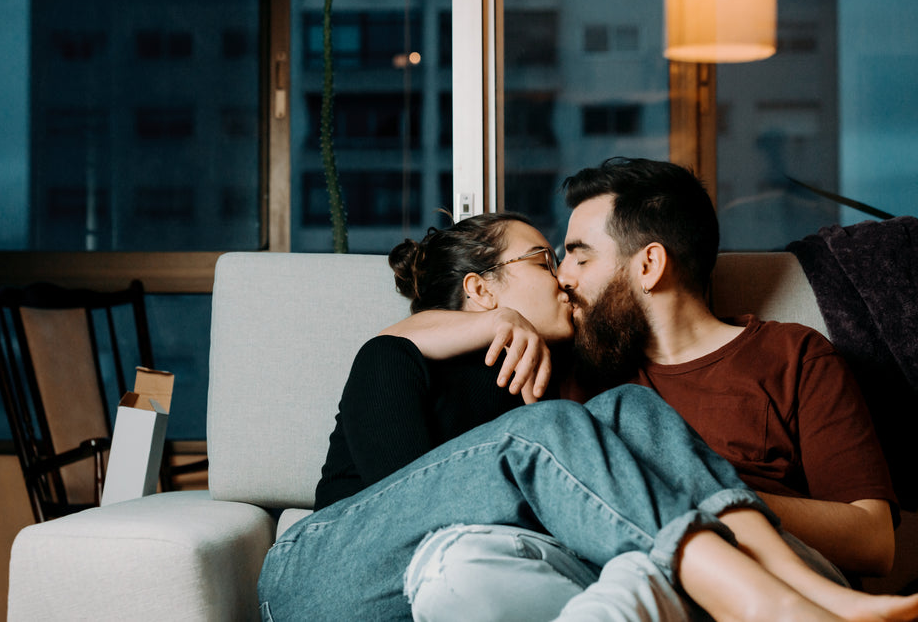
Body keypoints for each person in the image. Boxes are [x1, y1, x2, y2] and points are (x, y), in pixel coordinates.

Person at [255, 212, 918, 622]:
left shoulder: (553, 378)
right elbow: (398, 504)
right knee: (556, 430)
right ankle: (753, 599)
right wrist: (490, 325)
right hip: (321, 576)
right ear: (481, 288)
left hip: (460, 574)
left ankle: (800, 589)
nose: (564, 276)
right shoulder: (396, 358)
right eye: (544, 259)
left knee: (626, 409)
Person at [386, 158, 901, 619]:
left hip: (770, 565)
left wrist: (689, 493)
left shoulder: (792, 355)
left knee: (643, 572)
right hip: (599, 571)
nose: (561, 278)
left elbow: (876, 540)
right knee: (459, 567)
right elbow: (391, 344)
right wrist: (496, 320)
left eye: (579, 258)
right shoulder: (571, 362)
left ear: (649, 265)